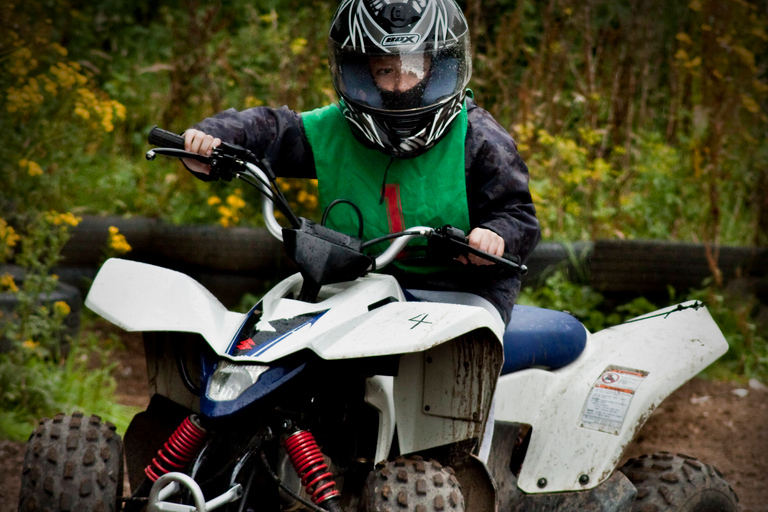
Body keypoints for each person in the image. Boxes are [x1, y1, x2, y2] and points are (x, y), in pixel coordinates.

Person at [181, 0, 540, 329]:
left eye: (413, 68)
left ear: (439, 67)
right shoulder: (332, 130)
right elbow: (270, 128)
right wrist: (211, 138)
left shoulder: (477, 137)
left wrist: (496, 237)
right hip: (359, 283)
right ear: (361, 71)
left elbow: (518, 214)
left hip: (463, 290)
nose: (401, 86)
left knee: (457, 361)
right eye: (385, 69)